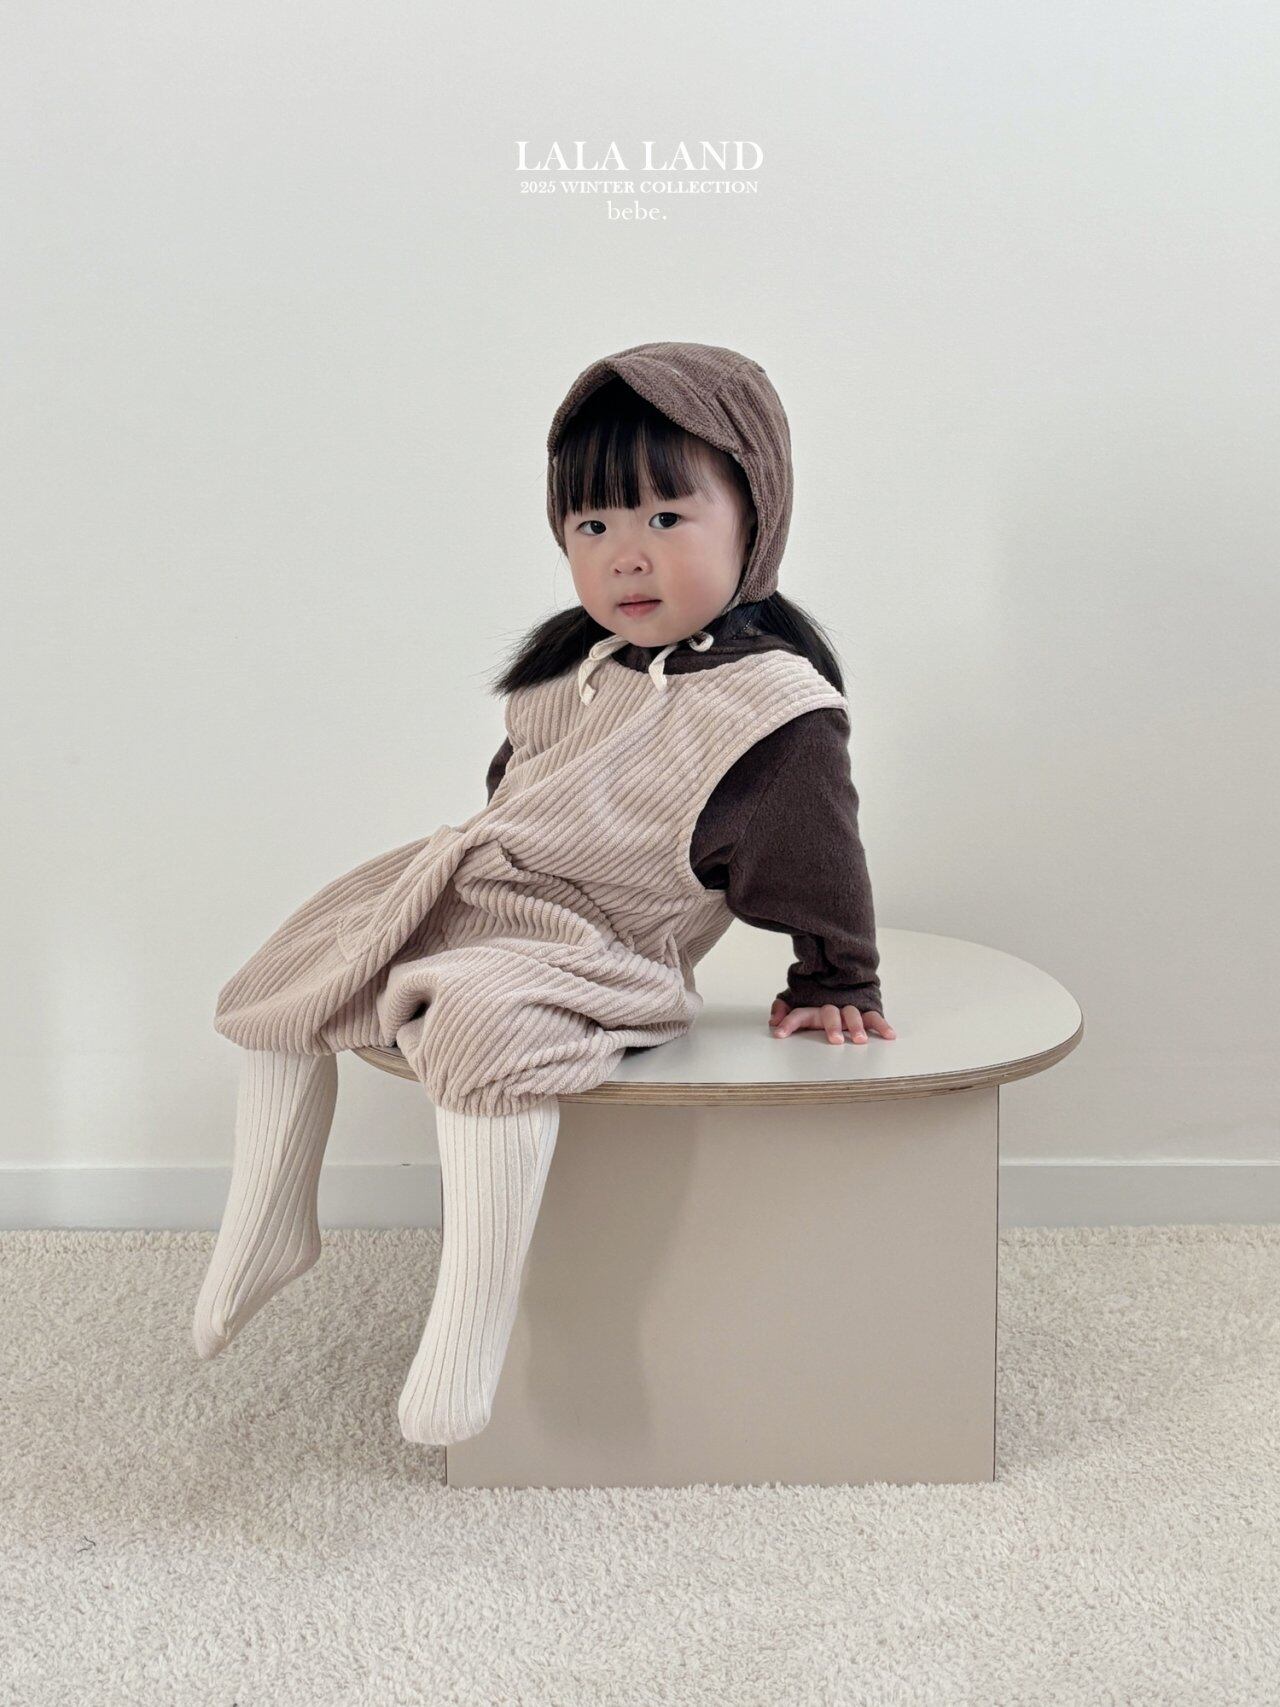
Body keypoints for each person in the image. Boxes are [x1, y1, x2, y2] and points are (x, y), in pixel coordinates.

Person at [193, 340, 896, 1448]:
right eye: (592, 526)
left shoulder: (770, 710)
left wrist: (834, 974)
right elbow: (519, 792)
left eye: (666, 518)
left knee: (481, 1025)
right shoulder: (576, 665)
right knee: (302, 955)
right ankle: (268, 1217)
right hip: (489, 890)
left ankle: (470, 1326)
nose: (626, 555)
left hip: (599, 944)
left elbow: (816, 854)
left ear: (754, 519)